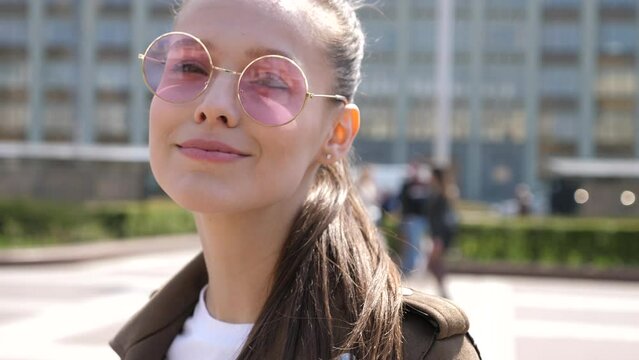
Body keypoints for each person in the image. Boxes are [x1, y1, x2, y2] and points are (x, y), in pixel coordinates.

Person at [110, 0, 481, 359]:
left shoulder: (411, 350)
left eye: (269, 80)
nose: (214, 106)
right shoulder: (154, 335)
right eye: (190, 67)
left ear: (336, 133)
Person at [426, 167, 459, 299]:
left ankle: (443, 291)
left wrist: (438, 238)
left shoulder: (441, 194)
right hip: (438, 234)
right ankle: (443, 291)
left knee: (433, 263)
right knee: (434, 263)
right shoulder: (441, 192)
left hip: (439, 235)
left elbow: (441, 218)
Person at [398, 161, 432, 276]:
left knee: (421, 245)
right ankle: (409, 270)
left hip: (422, 219)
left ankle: (417, 270)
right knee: (411, 245)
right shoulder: (407, 185)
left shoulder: (425, 185)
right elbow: (403, 201)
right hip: (411, 219)